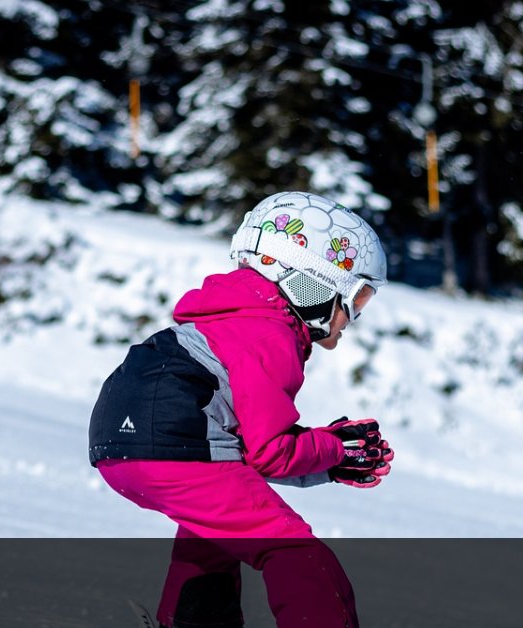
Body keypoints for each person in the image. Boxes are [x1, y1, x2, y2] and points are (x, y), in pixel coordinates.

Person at [88, 191, 394, 628]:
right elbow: (271, 452)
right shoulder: (270, 333)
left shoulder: (230, 318)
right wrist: (336, 450)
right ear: (314, 283)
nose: (351, 317)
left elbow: (247, 452)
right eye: (358, 299)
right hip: (174, 439)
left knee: (212, 532)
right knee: (294, 551)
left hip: (119, 442)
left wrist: (326, 459)